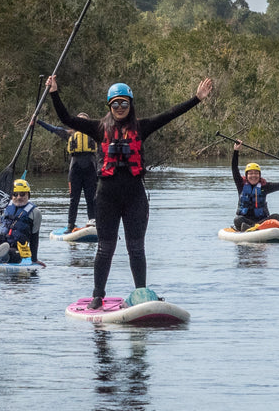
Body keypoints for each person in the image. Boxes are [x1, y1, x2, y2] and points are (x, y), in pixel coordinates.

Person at [46, 73, 213, 309]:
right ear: (110, 106)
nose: (120, 107)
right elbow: (65, 117)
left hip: (135, 196)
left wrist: (196, 98)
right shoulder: (98, 127)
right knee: (105, 248)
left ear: (130, 104)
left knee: (136, 247)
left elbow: (170, 114)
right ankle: (97, 295)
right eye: (116, 103)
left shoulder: (142, 127)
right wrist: (54, 92)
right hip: (107, 196)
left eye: (124, 103)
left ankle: (141, 293)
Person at [34, 113, 99, 231]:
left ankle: (93, 222)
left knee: (91, 198)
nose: (81, 123)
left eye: (84, 120)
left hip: (90, 169)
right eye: (79, 120)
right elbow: (52, 129)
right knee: (74, 199)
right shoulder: (69, 134)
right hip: (75, 170)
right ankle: (71, 224)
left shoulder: (95, 134)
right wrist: (38, 121)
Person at [229, 140, 279, 231]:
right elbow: (234, 168)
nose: (253, 176)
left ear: (259, 175)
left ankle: (253, 228)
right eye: (250, 173)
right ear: (246, 176)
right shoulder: (241, 185)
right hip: (245, 220)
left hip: (261, 220)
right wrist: (236, 151)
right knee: (237, 219)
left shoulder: (265, 186)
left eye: (256, 173)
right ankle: (253, 227)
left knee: (276, 216)